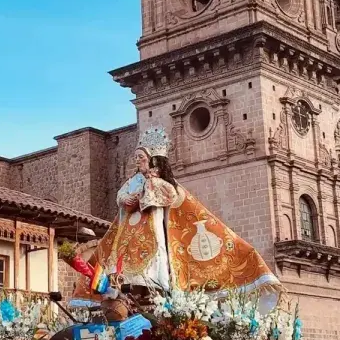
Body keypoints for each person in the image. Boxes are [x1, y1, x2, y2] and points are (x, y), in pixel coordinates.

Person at [74, 125, 281, 304]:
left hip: (153, 233)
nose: (138, 162)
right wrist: (125, 199)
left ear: (153, 160)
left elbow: (170, 197)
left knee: (154, 266)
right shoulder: (134, 181)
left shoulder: (163, 183)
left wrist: (148, 191)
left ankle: (153, 292)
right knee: (123, 270)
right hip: (129, 235)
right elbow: (121, 195)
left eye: (141, 158)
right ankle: (128, 295)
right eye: (136, 158)